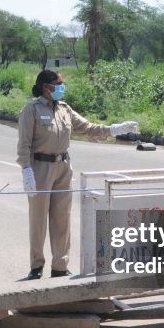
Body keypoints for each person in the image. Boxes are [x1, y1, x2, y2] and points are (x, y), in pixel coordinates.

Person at [17, 70, 139, 280]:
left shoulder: (65, 110)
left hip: (63, 167)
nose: (62, 86)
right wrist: (26, 170)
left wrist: (114, 129)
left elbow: (88, 128)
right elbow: (24, 144)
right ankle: (36, 266)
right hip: (40, 168)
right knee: (38, 219)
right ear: (47, 87)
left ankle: (60, 266)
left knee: (62, 218)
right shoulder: (32, 110)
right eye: (59, 83)